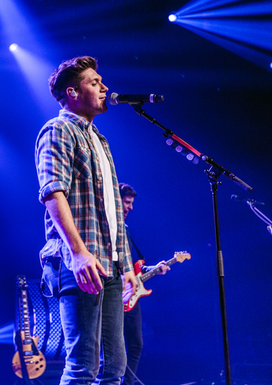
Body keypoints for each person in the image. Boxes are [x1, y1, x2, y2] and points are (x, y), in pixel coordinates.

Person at [36, 55, 137, 385]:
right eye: (95, 82)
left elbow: (112, 213)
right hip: (77, 260)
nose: (105, 87)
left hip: (108, 264)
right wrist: (79, 253)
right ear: (73, 92)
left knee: (115, 368)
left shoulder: (101, 140)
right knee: (83, 365)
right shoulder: (58, 130)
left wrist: (128, 270)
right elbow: (53, 193)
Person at [118, 183, 169, 385]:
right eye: (127, 202)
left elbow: (134, 266)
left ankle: (127, 383)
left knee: (136, 344)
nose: (130, 207)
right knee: (111, 346)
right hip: (113, 293)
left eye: (132, 203)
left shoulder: (126, 229)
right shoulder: (107, 227)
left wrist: (155, 268)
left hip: (132, 296)